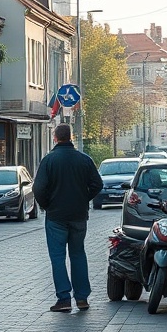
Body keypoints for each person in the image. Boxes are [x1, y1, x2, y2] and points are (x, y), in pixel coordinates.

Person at [32, 123, 103, 312]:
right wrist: (83, 198)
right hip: (79, 215)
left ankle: (63, 299)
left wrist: (47, 205)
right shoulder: (84, 160)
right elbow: (97, 184)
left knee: (57, 257)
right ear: (70, 137)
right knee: (78, 253)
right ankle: (82, 298)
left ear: (55, 137)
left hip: (56, 216)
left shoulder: (49, 161)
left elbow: (38, 188)